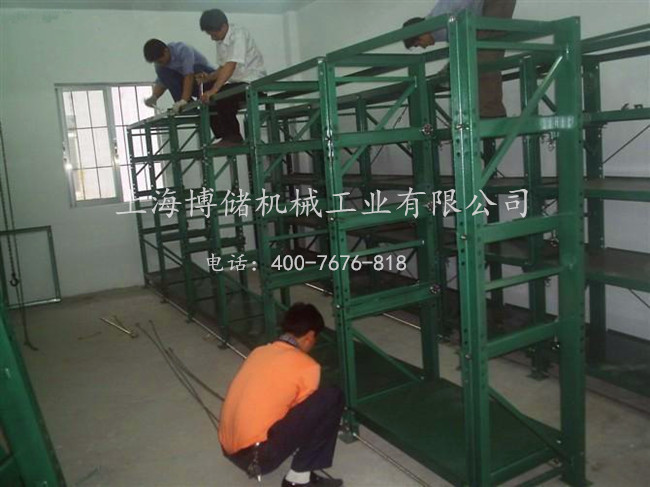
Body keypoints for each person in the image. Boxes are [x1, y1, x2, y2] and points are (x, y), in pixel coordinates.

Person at [219, 303, 344, 487]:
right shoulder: (308, 366)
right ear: (310, 336)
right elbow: (305, 420)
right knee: (332, 396)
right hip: (258, 458)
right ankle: (299, 479)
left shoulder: (259, 351)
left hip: (228, 449)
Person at [402, 0, 517, 118]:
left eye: (418, 43)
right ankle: (490, 113)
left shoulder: (441, 17)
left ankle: (491, 114)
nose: (423, 47)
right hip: (485, 9)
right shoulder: (442, 26)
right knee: (482, 59)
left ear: (421, 32)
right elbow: (462, 48)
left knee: (484, 60)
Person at [197, 8, 268, 147]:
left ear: (224, 26)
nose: (212, 38)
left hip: (253, 83)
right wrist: (208, 78)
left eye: (213, 34)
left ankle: (233, 136)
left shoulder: (239, 34)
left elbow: (231, 65)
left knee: (222, 93)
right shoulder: (221, 41)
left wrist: (214, 90)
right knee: (209, 91)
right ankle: (223, 135)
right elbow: (222, 68)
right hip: (238, 83)